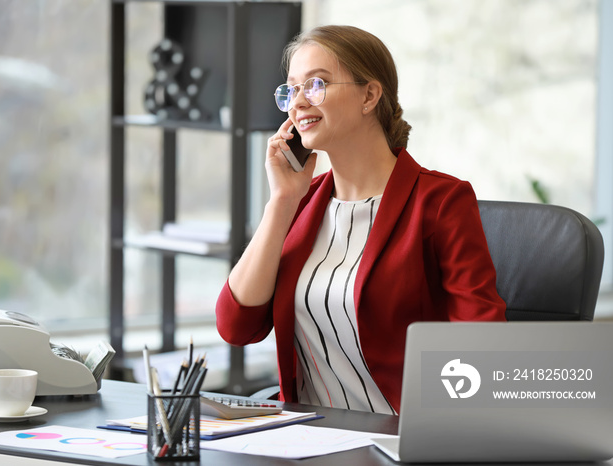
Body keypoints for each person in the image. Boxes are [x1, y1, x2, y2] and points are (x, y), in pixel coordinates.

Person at [215, 25, 505, 414]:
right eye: (291, 90)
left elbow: (482, 345)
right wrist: (281, 202)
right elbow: (236, 326)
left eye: (316, 84)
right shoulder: (301, 204)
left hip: (404, 439)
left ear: (369, 95)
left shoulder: (440, 202)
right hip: (306, 439)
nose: (298, 103)